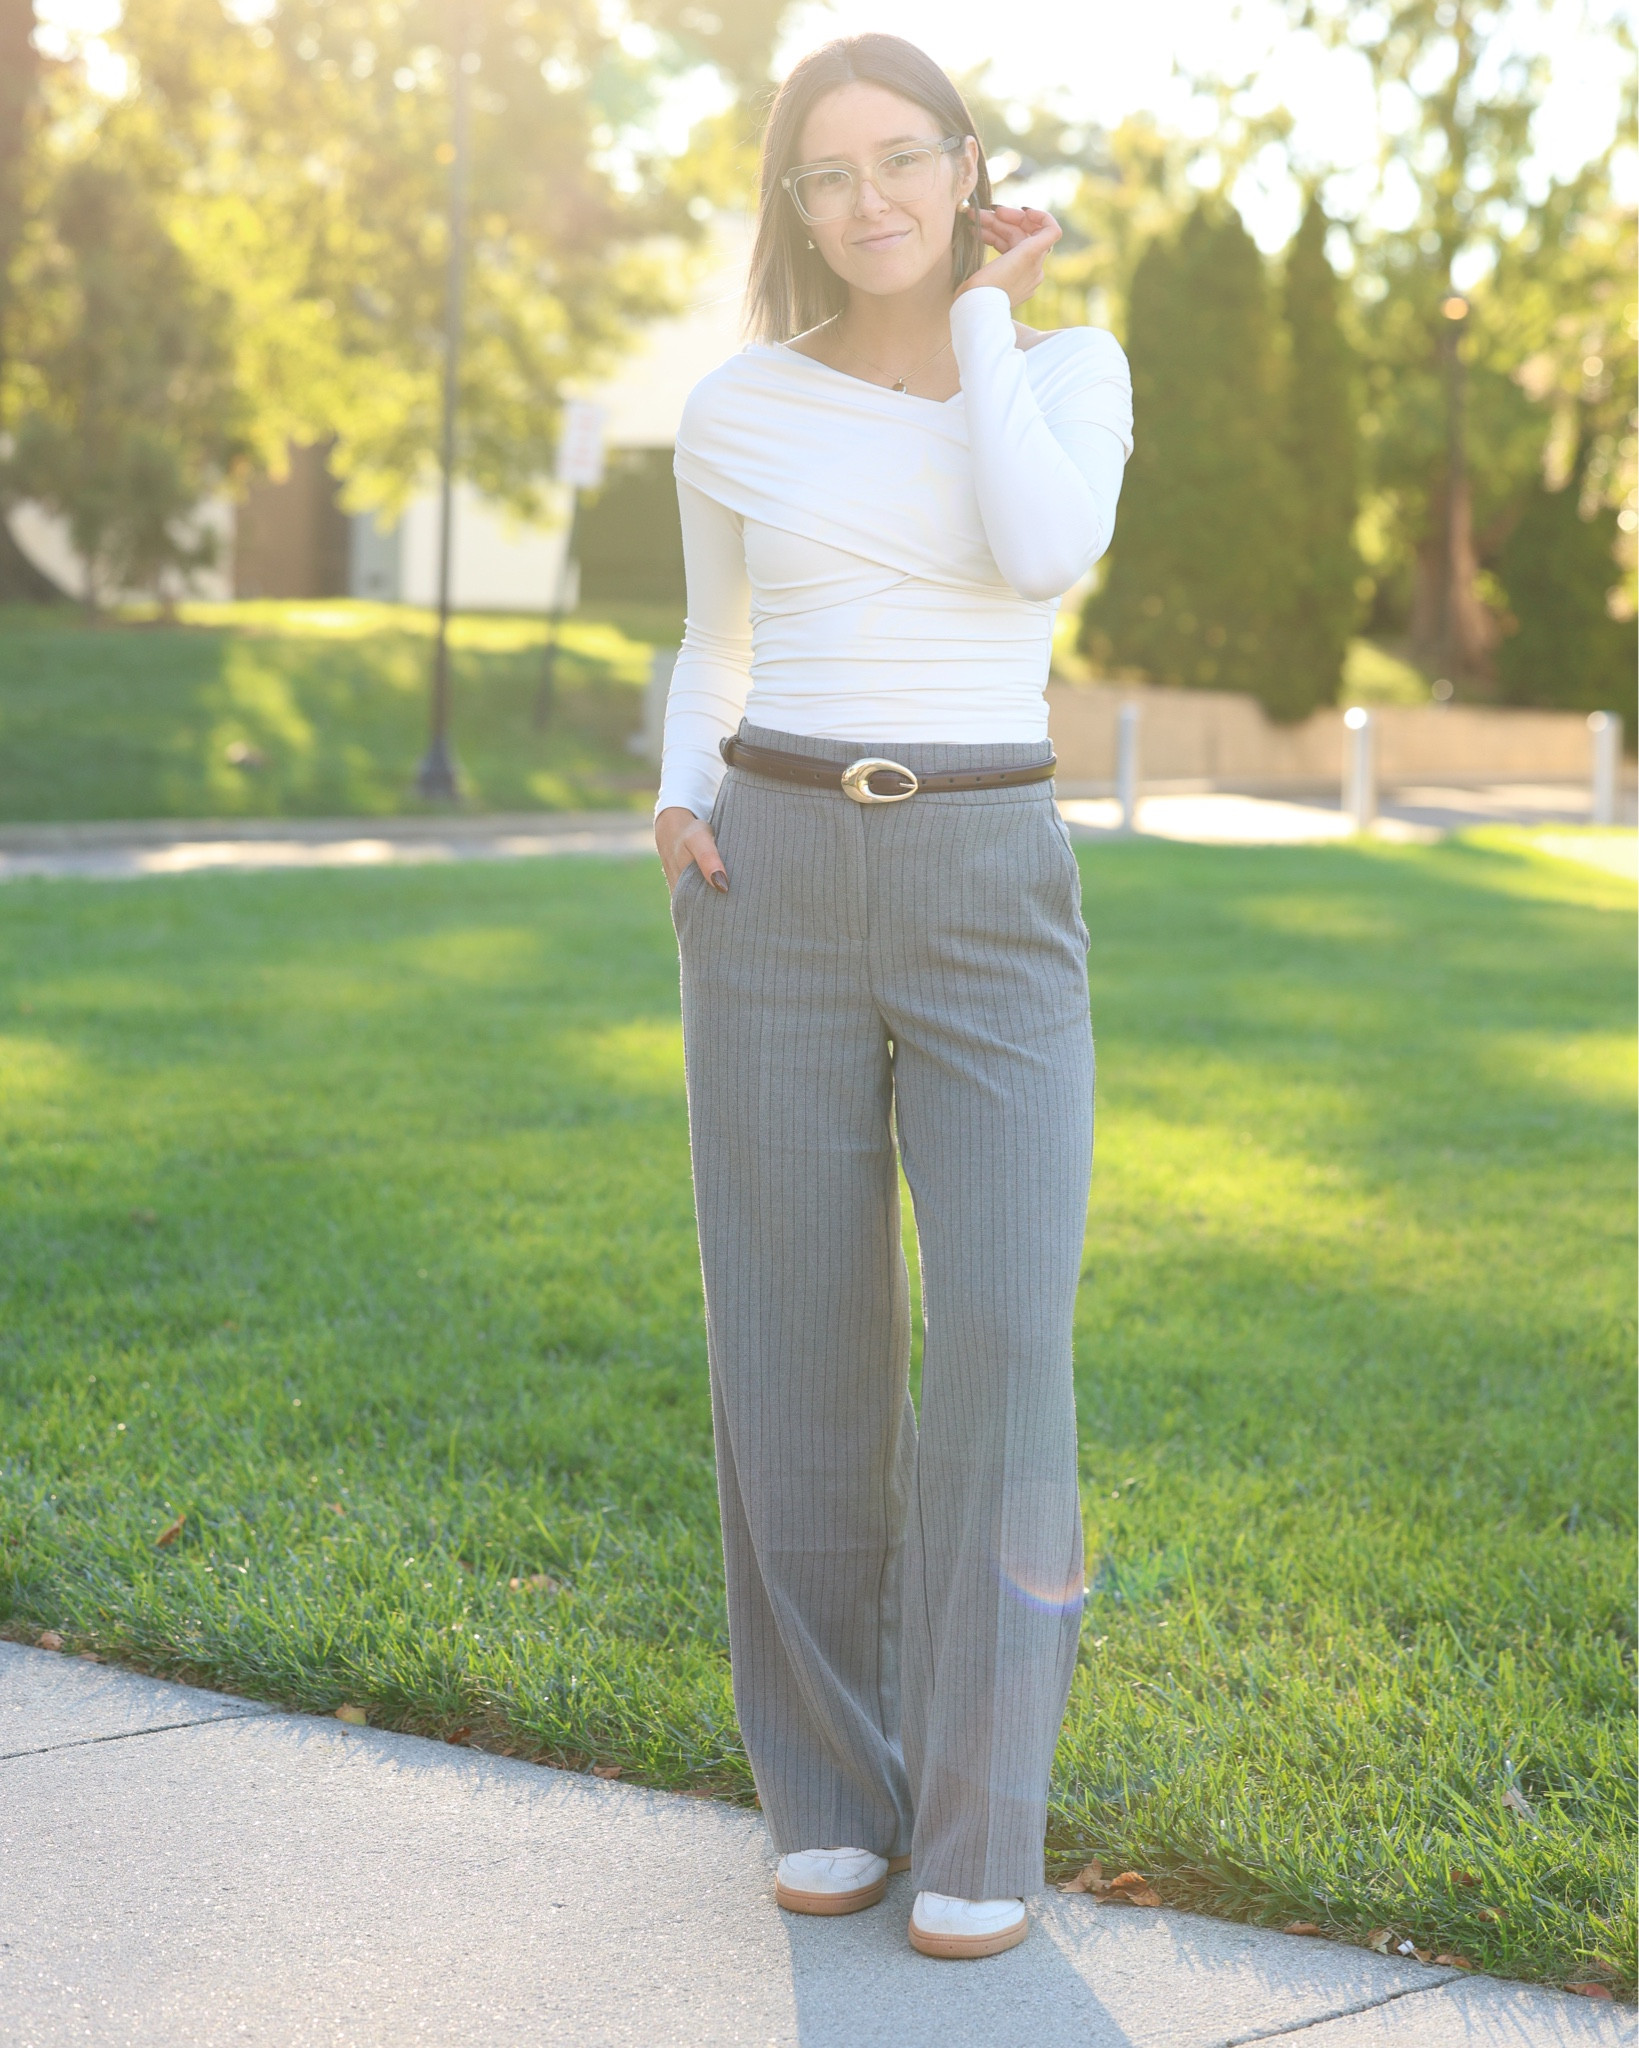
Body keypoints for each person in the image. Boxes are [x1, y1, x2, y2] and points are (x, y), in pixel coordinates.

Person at [654, 33, 1132, 1961]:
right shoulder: (735, 405)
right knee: (795, 1344)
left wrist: (997, 327)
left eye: (901, 160)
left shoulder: (1070, 371)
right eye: (826, 172)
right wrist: (684, 791)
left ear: (965, 169)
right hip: (766, 872)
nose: (868, 200)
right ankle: (832, 1792)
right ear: (795, 203)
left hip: (986, 878)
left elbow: (1036, 547)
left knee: (1007, 1332)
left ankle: (978, 1812)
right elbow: (718, 632)